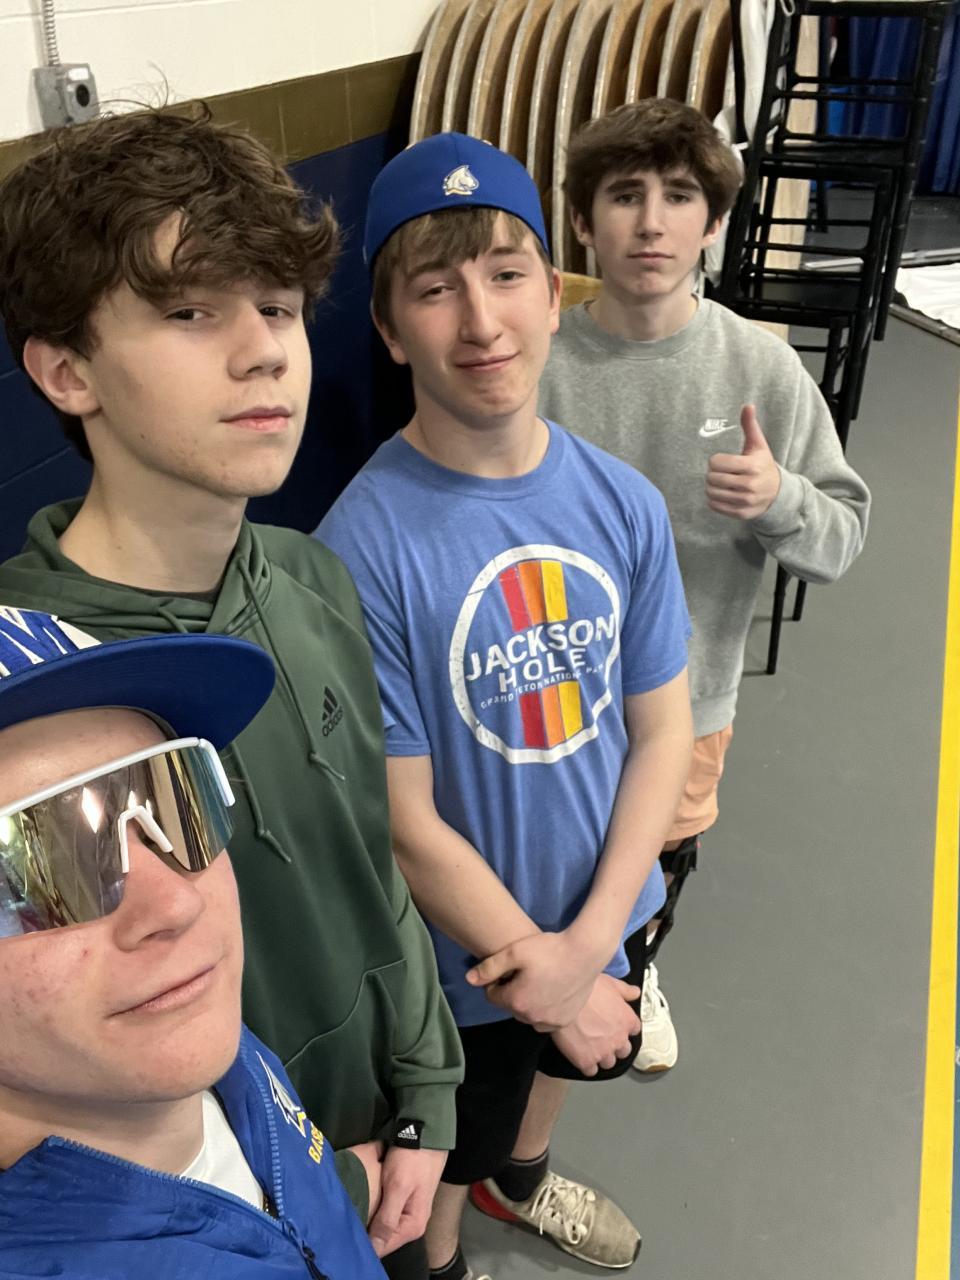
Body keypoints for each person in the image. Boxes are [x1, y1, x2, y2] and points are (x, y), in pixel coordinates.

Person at [0, 108, 462, 1278]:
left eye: (279, 306)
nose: (264, 352)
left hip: (381, 1137)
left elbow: (371, 855)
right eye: (191, 312)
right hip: (224, 1193)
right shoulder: (34, 688)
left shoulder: (314, 576)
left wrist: (426, 1083)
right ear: (66, 369)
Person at [317, 132, 694, 1280]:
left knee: (552, 1080)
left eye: (506, 273)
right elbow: (404, 818)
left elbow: (660, 730)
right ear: (391, 329)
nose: (481, 320)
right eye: (435, 289)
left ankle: (520, 1182)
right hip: (466, 974)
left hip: (604, 912)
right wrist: (547, 972)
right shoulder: (361, 547)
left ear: (552, 288)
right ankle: (444, 1256)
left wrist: (587, 947)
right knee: (442, 1159)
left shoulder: (623, 503)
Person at [539, 98, 871, 1072]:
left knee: (651, 872)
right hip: (551, 698)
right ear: (583, 219)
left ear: (715, 222)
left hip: (689, 706)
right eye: (624, 196)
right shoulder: (536, 363)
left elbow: (841, 539)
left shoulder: (758, 366)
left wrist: (780, 499)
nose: (651, 223)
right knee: (554, 875)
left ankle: (640, 965)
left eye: (679, 196)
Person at [0, 606, 390, 1277]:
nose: (176, 902)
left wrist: (333, 1195)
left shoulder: (198, 1036)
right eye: (41, 869)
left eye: (174, 801)